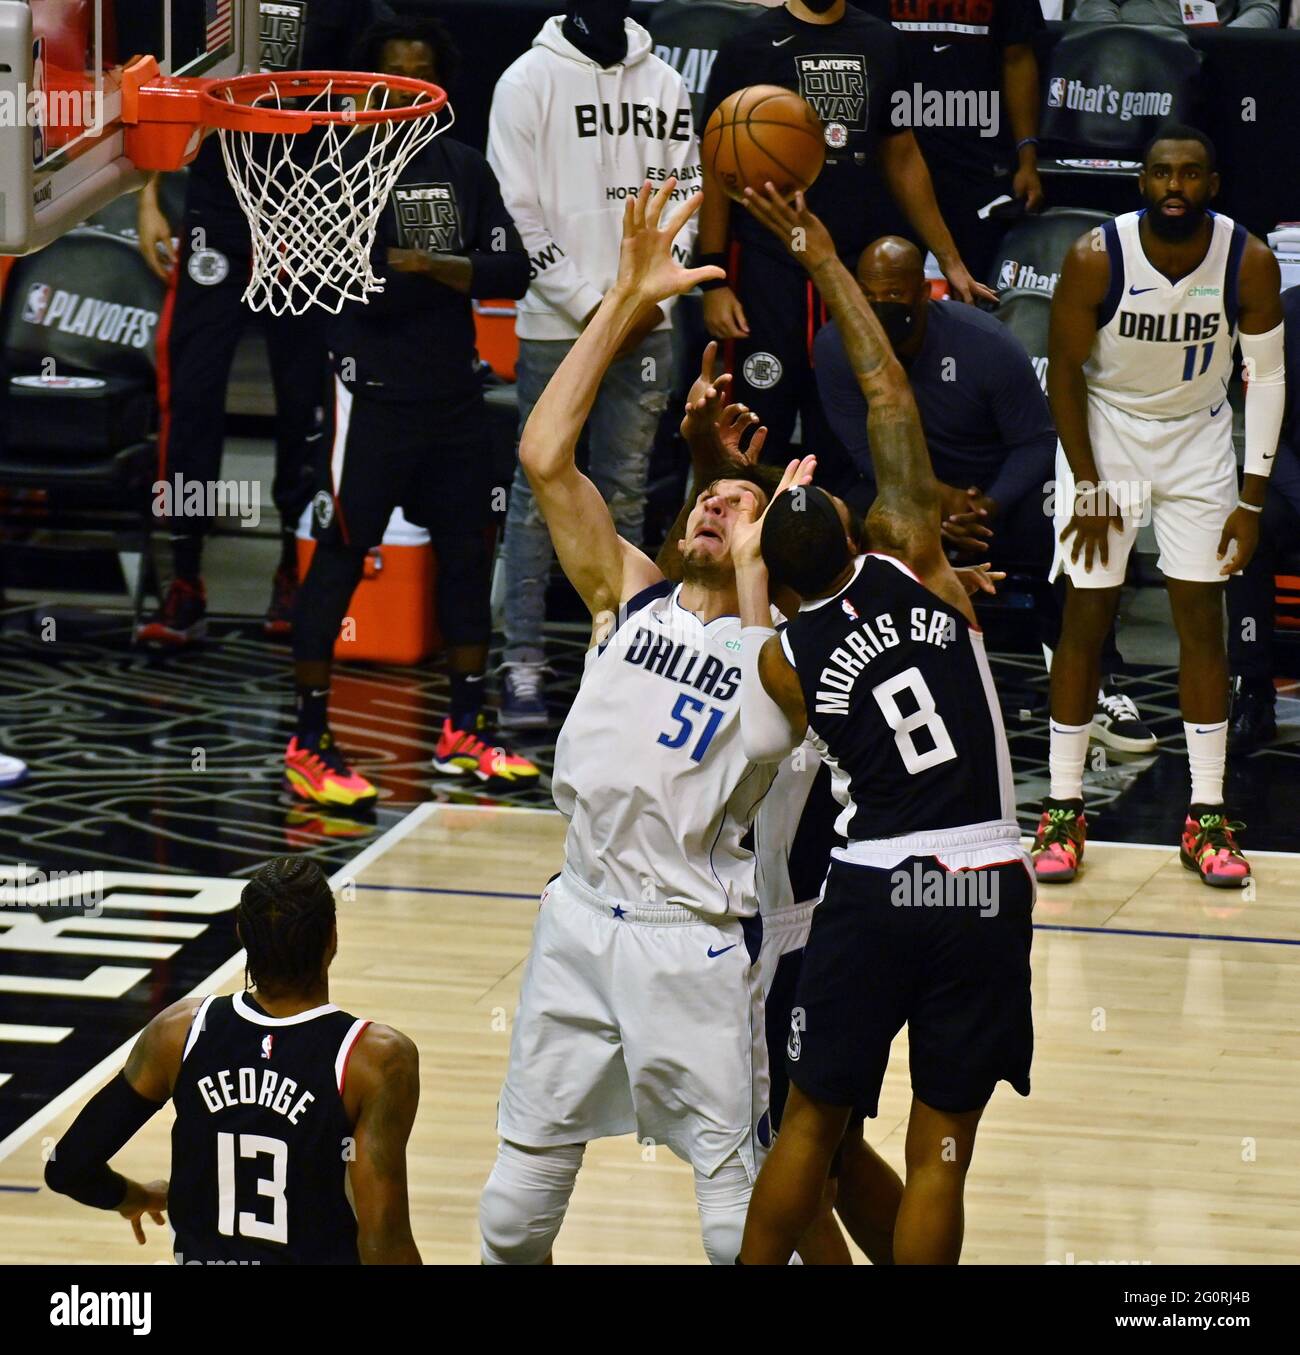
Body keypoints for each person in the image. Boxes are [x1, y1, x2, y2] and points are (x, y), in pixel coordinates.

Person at [478, 180, 803, 1266]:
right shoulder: (631, 592)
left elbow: (767, 730)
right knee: (511, 1213)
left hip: (692, 940)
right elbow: (542, 458)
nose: (719, 504)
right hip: (576, 915)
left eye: (745, 503)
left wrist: (759, 559)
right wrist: (620, 301)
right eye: (711, 496)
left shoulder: (782, 648)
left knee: (727, 1215)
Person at [728, 183, 1033, 1265]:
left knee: (809, 1124)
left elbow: (778, 585)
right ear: (859, 532)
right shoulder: (927, 567)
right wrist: (822, 258)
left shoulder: (780, 654)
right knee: (940, 1145)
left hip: (872, 884)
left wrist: (749, 495)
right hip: (983, 879)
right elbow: (885, 389)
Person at [284, 16, 536, 808]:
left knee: (466, 556)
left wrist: (428, 262)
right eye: (395, 77)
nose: (411, 91)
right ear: (371, 84)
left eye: (424, 76)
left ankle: (465, 729)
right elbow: (356, 287)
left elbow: (514, 270)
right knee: (338, 558)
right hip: (370, 398)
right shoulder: (338, 168)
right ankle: (309, 738)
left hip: (453, 398)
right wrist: (444, 274)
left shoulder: (464, 165)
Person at [1031, 125, 1285, 888]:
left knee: (1199, 624)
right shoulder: (1094, 257)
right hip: (1104, 433)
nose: (1175, 185)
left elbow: (1265, 380)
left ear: (1213, 183)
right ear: (1141, 182)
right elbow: (1065, 376)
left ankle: (1206, 815)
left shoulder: (1250, 259)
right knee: (1087, 616)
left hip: (1200, 441)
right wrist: (1089, 482)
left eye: (1191, 173)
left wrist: (1252, 496)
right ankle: (1064, 807)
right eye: (1161, 172)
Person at [815, 234, 1156, 753]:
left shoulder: (983, 343)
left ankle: (1100, 687)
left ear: (925, 292)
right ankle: (859, 687)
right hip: (898, 489)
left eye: (895, 297)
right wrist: (932, 501)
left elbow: (1037, 441)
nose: (882, 310)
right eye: (870, 297)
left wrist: (986, 503)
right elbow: (865, 451)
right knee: (834, 521)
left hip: (993, 496)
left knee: (1068, 520)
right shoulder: (835, 346)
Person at [134, 0, 393, 647]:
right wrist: (150, 194)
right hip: (217, 205)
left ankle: (291, 563)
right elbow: (170, 86)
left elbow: (385, 83)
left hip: (305, 215)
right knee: (190, 398)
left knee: (302, 401)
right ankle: (185, 578)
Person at [487, 0, 701, 729]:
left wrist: (647, 294)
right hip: (557, 323)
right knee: (537, 495)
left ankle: (621, 658)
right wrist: (592, 304)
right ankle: (522, 664)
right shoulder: (524, 82)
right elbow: (516, 210)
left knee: (627, 492)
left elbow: (688, 197)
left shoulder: (667, 83)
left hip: (647, 324)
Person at [44, 857, 421, 1264]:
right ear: (332, 937)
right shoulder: (373, 1059)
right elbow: (386, 1242)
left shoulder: (179, 1032)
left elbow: (69, 1167)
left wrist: (134, 1197)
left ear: (242, 935)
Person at [696, 0, 996, 474]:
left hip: (852, 275)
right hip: (766, 272)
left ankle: (840, 545)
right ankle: (743, 543)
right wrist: (714, 280)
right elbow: (717, 170)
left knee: (845, 440)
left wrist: (951, 260)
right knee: (753, 436)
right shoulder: (746, 46)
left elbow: (902, 154)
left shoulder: (884, 41)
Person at [878, 0, 1047, 283]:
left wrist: (1027, 157)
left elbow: (1017, 58)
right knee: (886, 289)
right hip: (897, 150)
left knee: (980, 290)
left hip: (978, 155)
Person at [1227, 284, 1300, 753]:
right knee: (1247, 524)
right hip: (1293, 481)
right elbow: (1267, 423)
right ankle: (1253, 688)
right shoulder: (1288, 312)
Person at [1071, 0, 1281, 29]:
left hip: (1206, 60)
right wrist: (1118, 42)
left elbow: (1262, 9)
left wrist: (1222, 47)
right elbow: (1094, 3)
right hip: (1131, 52)